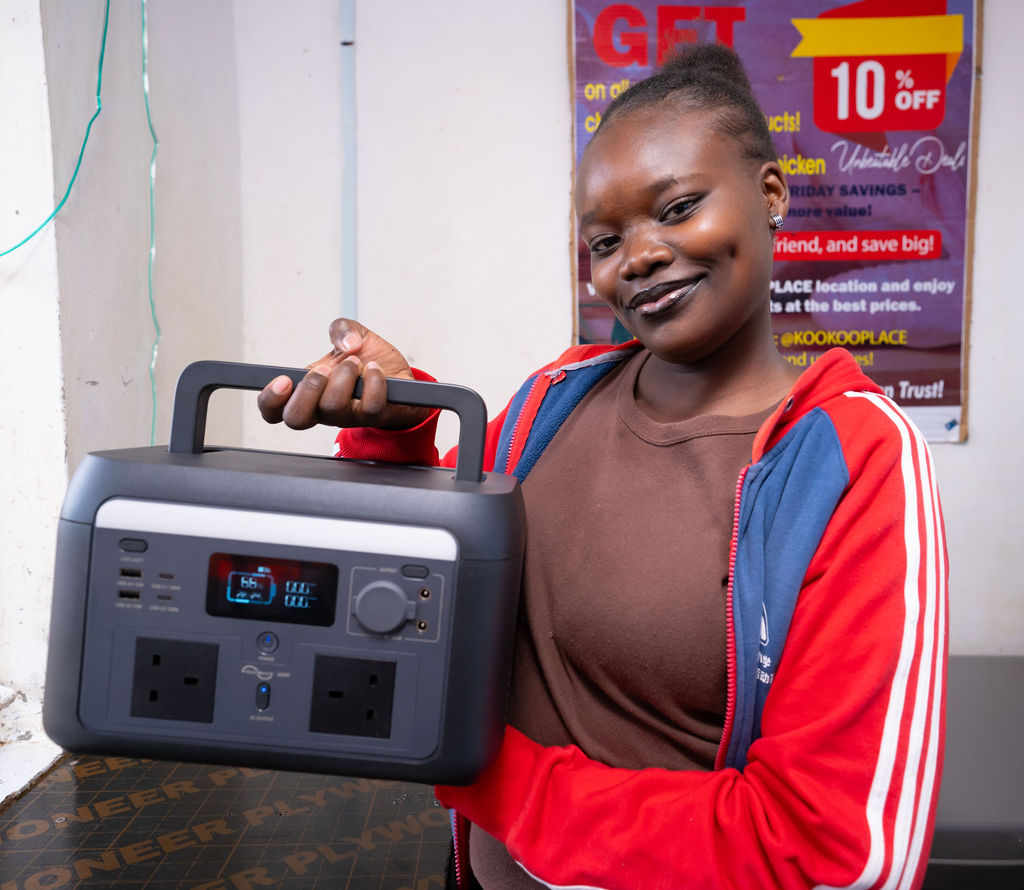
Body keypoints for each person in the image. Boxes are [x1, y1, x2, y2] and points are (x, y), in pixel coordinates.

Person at [258, 44, 947, 890]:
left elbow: (834, 855)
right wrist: (400, 425)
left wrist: (489, 775)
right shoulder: (556, 398)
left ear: (771, 196)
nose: (641, 256)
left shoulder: (853, 460)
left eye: (680, 208)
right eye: (606, 239)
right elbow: (433, 580)